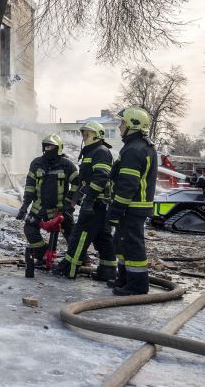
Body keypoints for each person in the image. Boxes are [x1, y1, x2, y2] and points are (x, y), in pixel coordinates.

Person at [53, 121, 117, 280]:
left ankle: (69, 268)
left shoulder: (100, 152)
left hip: (95, 204)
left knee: (80, 235)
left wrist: (88, 200)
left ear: (97, 135)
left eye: (86, 133)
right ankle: (107, 271)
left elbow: (101, 177)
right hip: (98, 204)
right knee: (102, 238)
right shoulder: (92, 152)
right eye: (83, 133)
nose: (83, 136)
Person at [106, 106, 158, 295]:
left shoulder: (134, 150)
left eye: (122, 123)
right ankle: (125, 278)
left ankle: (137, 285)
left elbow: (127, 185)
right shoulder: (139, 146)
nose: (119, 126)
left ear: (132, 125)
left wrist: (116, 210)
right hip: (133, 206)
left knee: (132, 244)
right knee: (121, 243)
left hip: (131, 207)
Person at [17, 134, 79, 266]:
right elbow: (30, 186)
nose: (48, 149)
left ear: (59, 148)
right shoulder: (37, 163)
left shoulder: (67, 165)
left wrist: (69, 204)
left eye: (51, 147)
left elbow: (77, 184)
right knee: (30, 230)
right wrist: (24, 206)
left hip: (61, 209)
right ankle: (42, 254)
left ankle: (79, 260)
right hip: (39, 208)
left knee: (72, 235)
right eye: (46, 146)